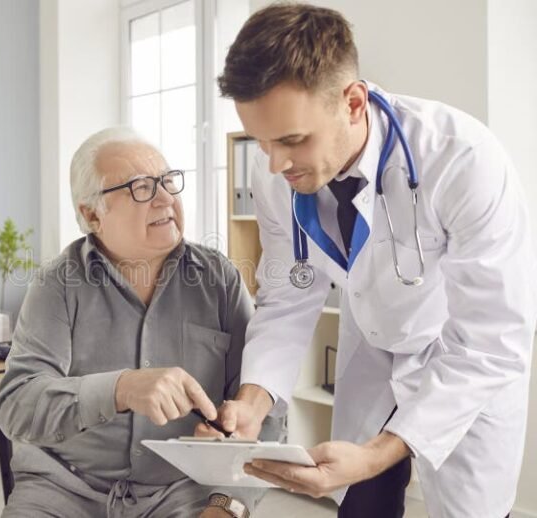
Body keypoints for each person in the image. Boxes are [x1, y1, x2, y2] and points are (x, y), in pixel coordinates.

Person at [198, 4, 536, 518]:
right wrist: (253, 401)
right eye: (261, 142)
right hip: (373, 347)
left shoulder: (461, 158)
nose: (275, 163)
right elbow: (289, 292)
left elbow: (492, 338)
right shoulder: (275, 175)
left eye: (292, 140)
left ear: (353, 102)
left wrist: (380, 452)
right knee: (361, 507)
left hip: (460, 361)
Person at [0, 127, 279, 518]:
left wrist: (228, 502)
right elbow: (17, 405)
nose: (165, 198)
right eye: (140, 187)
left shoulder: (220, 279)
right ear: (92, 215)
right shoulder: (56, 284)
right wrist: (121, 389)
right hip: (65, 488)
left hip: (183, 489)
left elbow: (264, 412)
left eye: (168, 181)